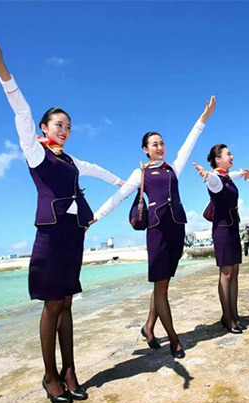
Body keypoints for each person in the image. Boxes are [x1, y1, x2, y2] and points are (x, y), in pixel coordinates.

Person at [0, 20, 124, 403]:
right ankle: (49, 375)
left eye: (68, 126)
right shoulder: (36, 152)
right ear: (43, 127)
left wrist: (126, 182)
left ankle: (70, 370)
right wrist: (0, 66)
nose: (64, 129)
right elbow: (20, 110)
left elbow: (97, 170)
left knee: (68, 302)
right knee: (52, 305)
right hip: (51, 236)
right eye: (58, 124)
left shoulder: (70, 159)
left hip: (74, 235)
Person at [94, 96, 216, 358]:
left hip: (177, 230)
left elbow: (187, 145)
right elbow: (119, 197)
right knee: (161, 286)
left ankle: (149, 327)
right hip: (157, 233)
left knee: (163, 284)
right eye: (154, 144)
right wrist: (95, 217)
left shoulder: (173, 167)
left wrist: (202, 119)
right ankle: (174, 339)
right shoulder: (140, 174)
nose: (160, 147)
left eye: (161, 143)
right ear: (145, 150)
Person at [192, 144, 249, 334]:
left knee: (234, 272)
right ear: (218, 159)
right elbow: (213, 180)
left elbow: (232, 175)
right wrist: (205, 174)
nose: (232, 156)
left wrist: (245, 173)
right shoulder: (216, 179)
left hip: (233, 227)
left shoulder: (227, 177)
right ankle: (227, 317)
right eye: (228, 154)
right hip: (222, 230)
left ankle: (234, 315)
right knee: (226, 273)